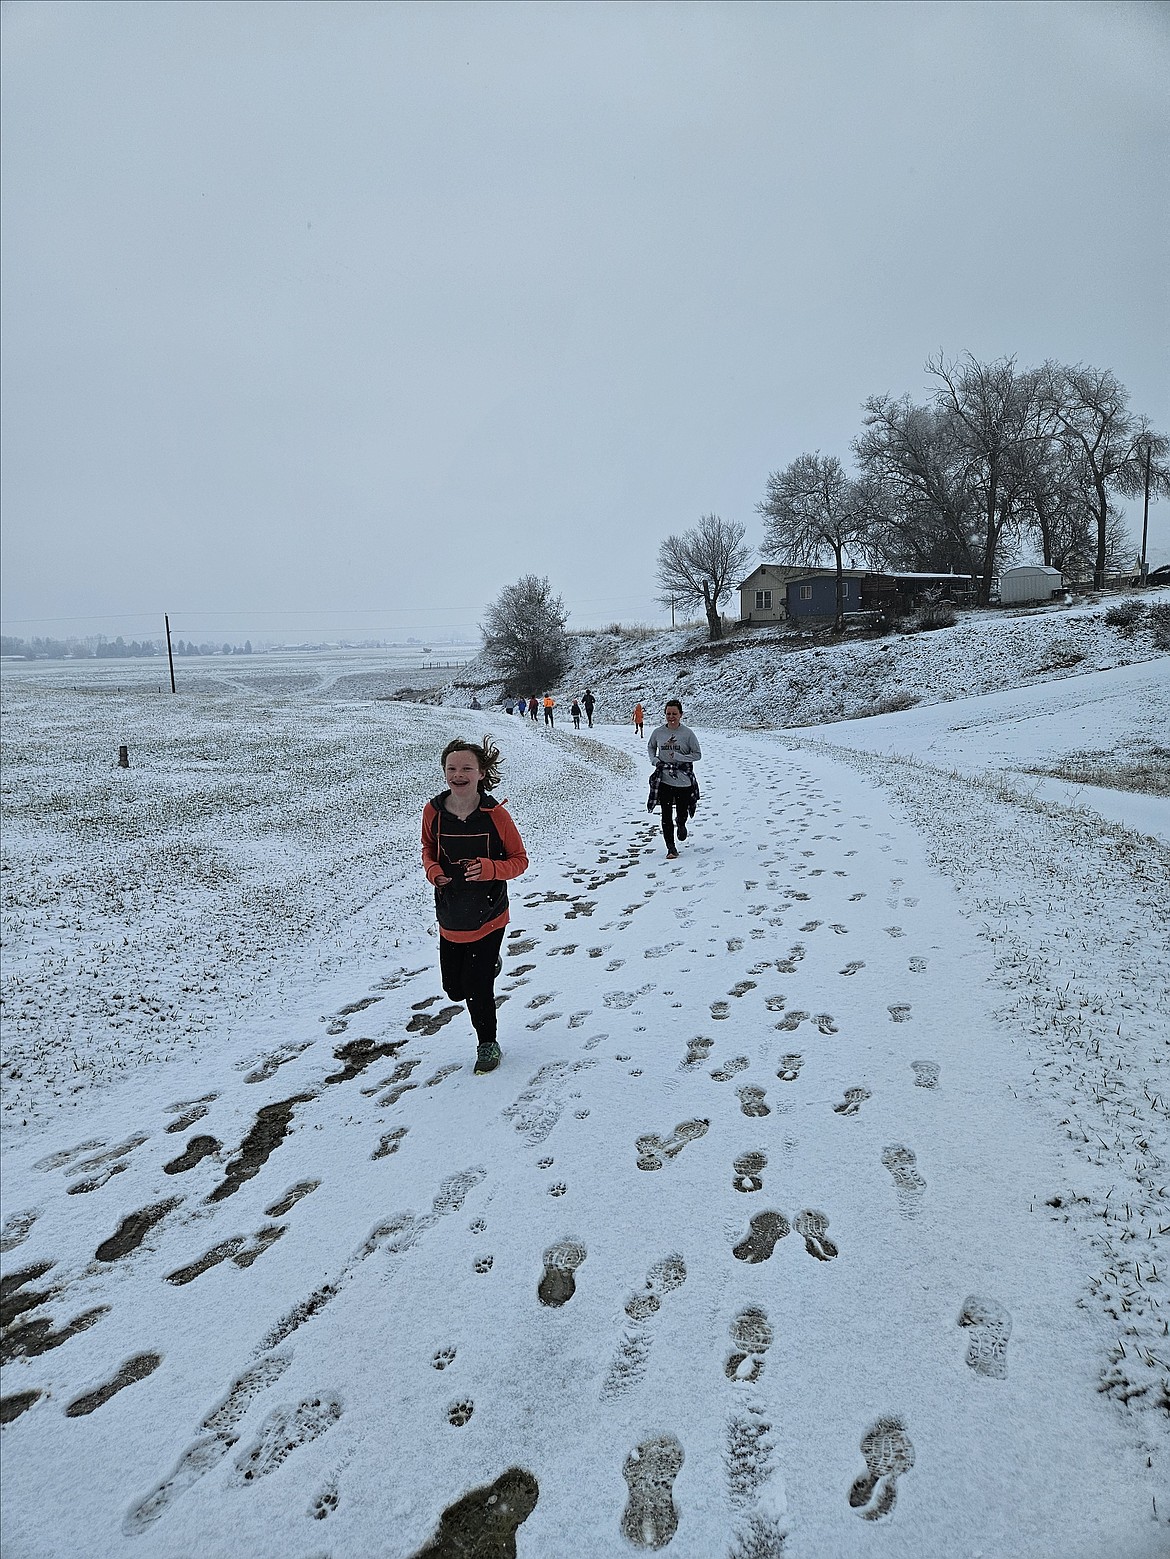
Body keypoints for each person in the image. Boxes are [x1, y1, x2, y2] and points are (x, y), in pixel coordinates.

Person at [421, 736, 529, 1074]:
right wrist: (433, 870)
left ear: (481, 773)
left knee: (477, 987)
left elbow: (520, 860)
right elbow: (427, 848)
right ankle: (489, 966)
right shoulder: (434, 812)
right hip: (451, 915)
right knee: (453, 988)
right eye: (451, 768)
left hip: (489, 915)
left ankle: (487, 1043)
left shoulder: (496, 815)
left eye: (467, 767)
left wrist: (491, 869)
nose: (458, 773)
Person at [646, 699, 701, 860]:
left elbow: (697, 754)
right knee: (665, 814)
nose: (671, 717)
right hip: (664, 780)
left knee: (682, 811)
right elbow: (651, 746)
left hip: (684, 780)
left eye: (674, 714)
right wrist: (654, 760)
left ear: (681, 715)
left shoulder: (688, 734)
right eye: (668, 714)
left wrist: (680, 757)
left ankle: (682, 823)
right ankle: (671, 848)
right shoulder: (658, 732)